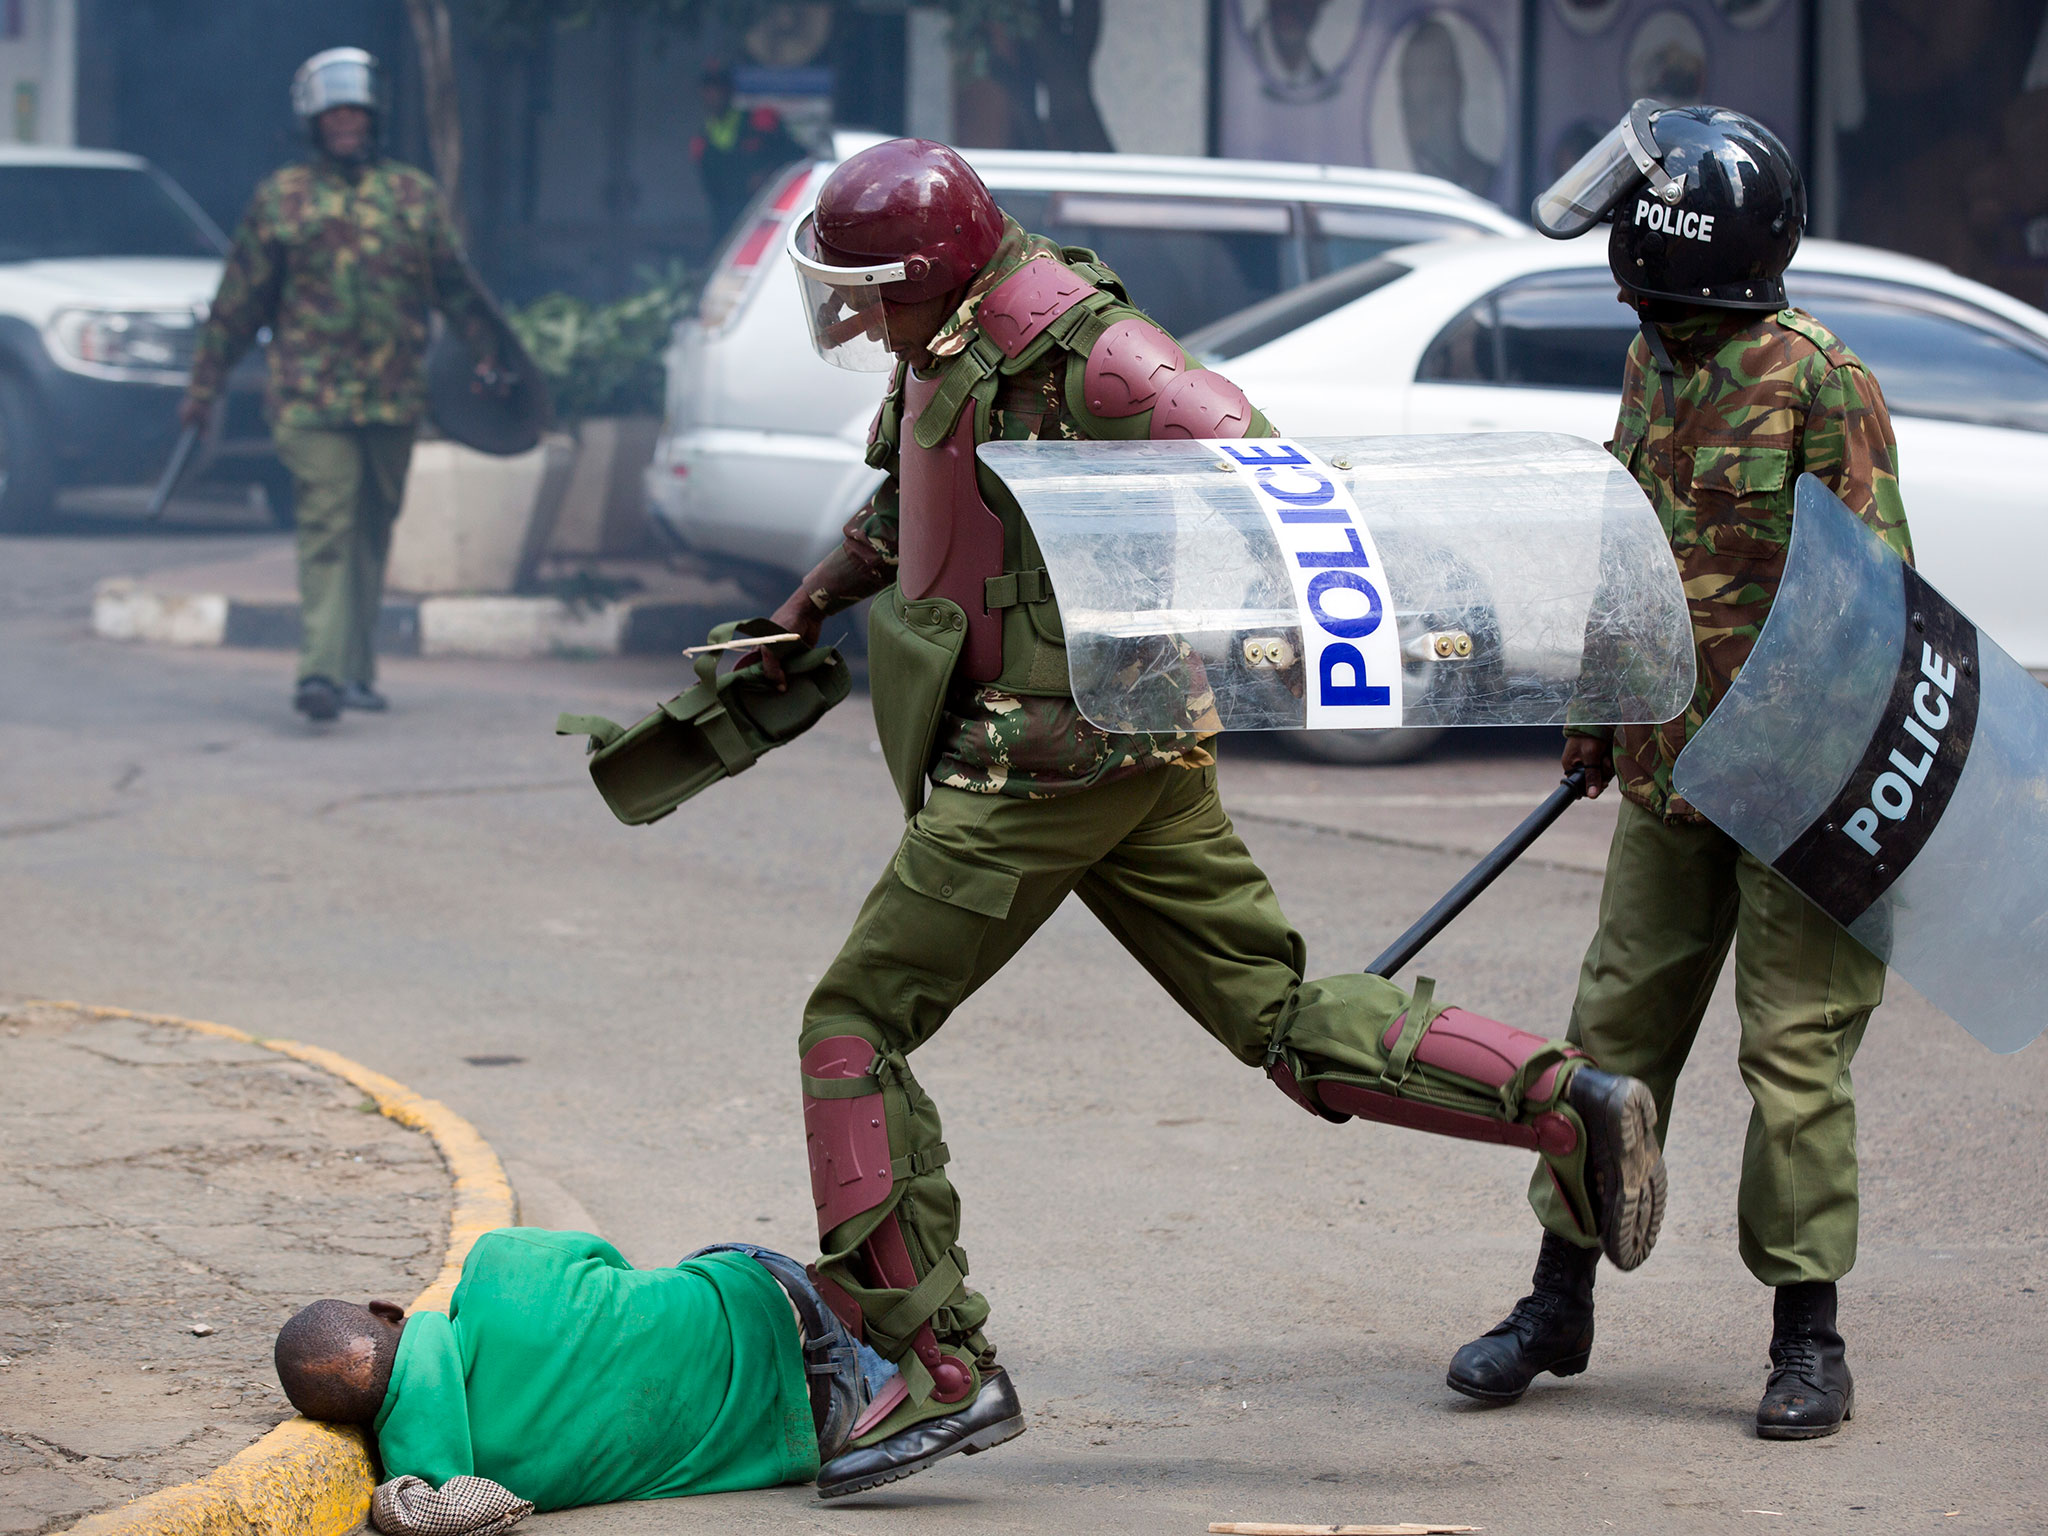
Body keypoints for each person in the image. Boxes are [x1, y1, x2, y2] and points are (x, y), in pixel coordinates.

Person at [757, 137, 1673, 1499]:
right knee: (1278, 1013)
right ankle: (1566, 1102)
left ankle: (937, 1370)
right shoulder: (947, 335)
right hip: (1127, 750)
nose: (854, 317)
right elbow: (915, 503)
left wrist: (1290, 631)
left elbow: (1257, 465)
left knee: (852, 1030)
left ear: (935, 272)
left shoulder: (1090, 348)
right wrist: (808, 603)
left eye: (867, 289)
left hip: (1044, 764)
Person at [1451, 103, 1915, 1440]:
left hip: (1802, 787)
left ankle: (1808, 1339)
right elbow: (1631, 549)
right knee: (1611, 1043)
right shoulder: (1654, 365)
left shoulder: (1818, 377)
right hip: (1668, 775)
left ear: (1681, 245)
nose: (1620, 268)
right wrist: (1600, 712)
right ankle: (1558, 1299)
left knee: (1795, 1055)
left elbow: (1872, 594)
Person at [181, 48, 502, 723]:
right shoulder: (282, 199)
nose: (346, 124)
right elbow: (236, 303)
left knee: (370, 529)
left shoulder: (412, 195)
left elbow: (455, 287)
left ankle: (357, 670)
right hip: (310, 400)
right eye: (334, 115)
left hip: (392, 396)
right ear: (314, 122)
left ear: (375, 117)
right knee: (328, 524)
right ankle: (320, 674)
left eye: (356, 112)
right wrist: (203, 388)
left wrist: (492, 355)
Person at [272, 1228, 897, 1530]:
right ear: (389, 1311)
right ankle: (883, 1308)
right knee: (699, 1266)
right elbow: (610, 1262)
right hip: (770, 1301)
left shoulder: (460, 1479)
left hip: (818, 1429)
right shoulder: (499, 1263)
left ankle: (898, 1368)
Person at [690, 64, 806, 241]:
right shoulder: (701, 142)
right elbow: (712, 192)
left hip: (770, 213)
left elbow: (797, 157)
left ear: (729, 91)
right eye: (708, 90)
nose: (713, 95)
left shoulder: (760, 122)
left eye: (718, 88)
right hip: (726, 223)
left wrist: (769, 175)